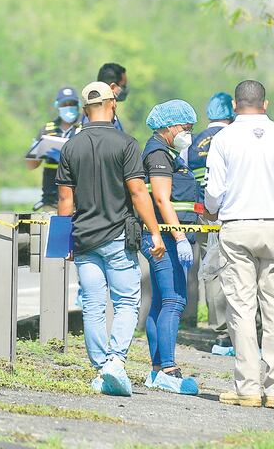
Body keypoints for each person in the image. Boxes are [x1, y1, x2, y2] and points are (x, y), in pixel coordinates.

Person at [56, 81, 164, 397]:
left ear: (85, 110)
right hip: (118, 237)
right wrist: (155, 231)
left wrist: (64, 242)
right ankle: (116, 361)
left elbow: (65, 201)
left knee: (92, 304)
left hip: (84, 240)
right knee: (126, 301)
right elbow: (137, 191)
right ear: (112, 104)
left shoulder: (70, 147)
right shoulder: (126, 144)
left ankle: (100, 369)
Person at [204, 80, 274, 409]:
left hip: (237, 226)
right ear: (265, 104)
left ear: (233, 104)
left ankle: (248, 387)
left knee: (241, 308)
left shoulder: (224, 138)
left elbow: (214, 190)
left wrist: (213, 210)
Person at [140, 100, 203, 395]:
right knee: (175, 301)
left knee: (161, 301)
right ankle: (168, 368)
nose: (188, 133)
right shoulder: (158, 154)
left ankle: (157, 370)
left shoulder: (170, 153)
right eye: (185, 128)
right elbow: (163, 200)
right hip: (164, 237)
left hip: (169, 236)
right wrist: (178, 238)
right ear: (167, 126)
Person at [188, 92, 236, 355]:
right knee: (241, 269)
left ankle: (221, 335)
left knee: (213, 272)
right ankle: (248, 331)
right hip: (234, 214)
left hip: (203, 216)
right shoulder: (234, 138)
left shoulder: (192, 142)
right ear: (232, 113)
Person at [25, 87, 81, 211]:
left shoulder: (85, 128)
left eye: (72, 104)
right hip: (52, 200)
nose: (68, 107)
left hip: (80, 202)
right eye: (64, 104)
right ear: (58, 105)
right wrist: (41, 150)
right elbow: (30, 164)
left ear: (78, 105)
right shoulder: (47, 129)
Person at [97, 62, 129, 132]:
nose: (126, 90)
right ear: (113, 87)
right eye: (123, 86)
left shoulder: (111, 114)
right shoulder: (99, 117)